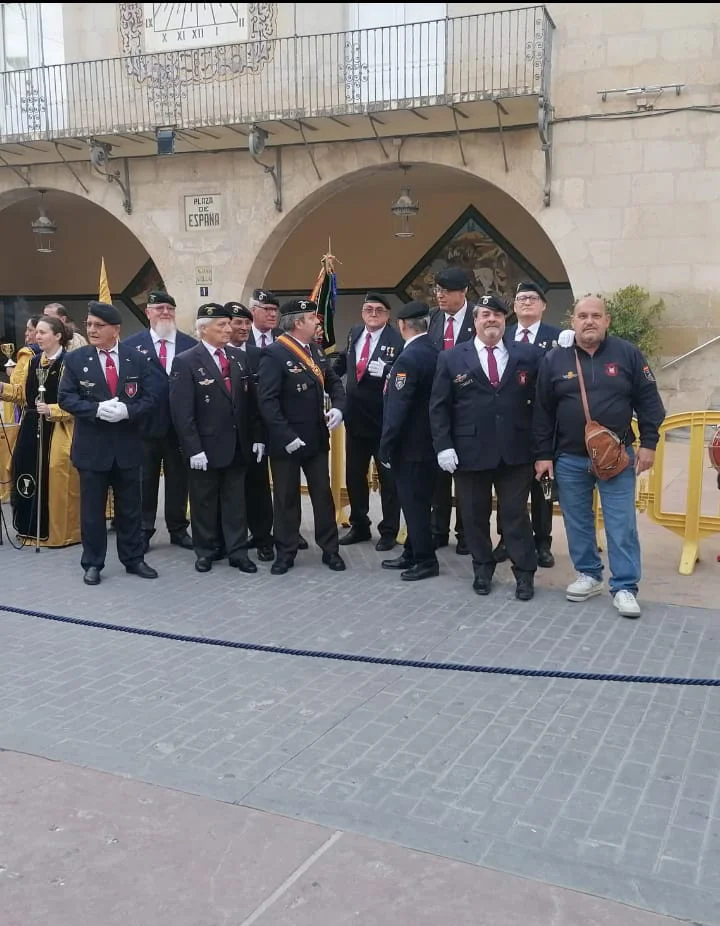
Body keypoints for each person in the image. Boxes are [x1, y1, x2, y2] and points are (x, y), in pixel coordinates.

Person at [533, 295, 666, 619]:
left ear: (607, 320)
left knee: (621, 525)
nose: (589, 321)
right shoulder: (555, 360)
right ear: (573, 321)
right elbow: (542, 413)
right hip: (569, 459)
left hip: (617, 458)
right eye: (582, 315)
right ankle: (589, 574)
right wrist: (543, 456)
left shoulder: (628, 354)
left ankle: (624, 587)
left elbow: (649, 401)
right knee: (578, 522)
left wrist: (649, 443)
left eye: (596, 315)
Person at [430, 294, 542, 600]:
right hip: (469, 452)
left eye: (497, 315)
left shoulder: (528, 355)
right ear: (475, 321)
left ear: (506, 320)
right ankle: (482, 568)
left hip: (516, 452)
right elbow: (439, 406)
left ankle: (524, 573)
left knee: (514, 515)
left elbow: (542, 403)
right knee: (474, 514)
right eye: (484, 315)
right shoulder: (451, 357)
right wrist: (443, 446)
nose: (491, 319)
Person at [57, 301, 159, 585]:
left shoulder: (136, 359)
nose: (92, 330)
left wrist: (129, 411)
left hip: (128, 448)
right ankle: (92, 563)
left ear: (116, 329)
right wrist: (96, 410)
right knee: (92, 512)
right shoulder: (77, 360)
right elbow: (66, 397)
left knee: (130, 510)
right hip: (93, 449)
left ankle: (133, 558)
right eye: (89, 324)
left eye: (99, 325)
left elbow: (151, 398)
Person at [170, 303, 264, 573]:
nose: (228, 329)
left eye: (228, 324)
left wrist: (257, 437)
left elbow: (250, 404)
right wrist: (192, 448)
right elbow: (182, 411)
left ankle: (237, 552)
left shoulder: (238, 357)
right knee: (204, 501)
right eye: (221, 325)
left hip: (238, 445)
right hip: (205, 447)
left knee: (236, 502)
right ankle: (206, 550)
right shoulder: (187, 360)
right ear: (203, 330)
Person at [257, 298, 346, 575]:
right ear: (298, 323)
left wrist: (340, 409)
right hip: (287, 441)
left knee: (322, 495)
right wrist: (285, 435)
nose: (317, 322)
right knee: (285, 498)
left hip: (316, 438)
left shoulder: (316, 351)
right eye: (312, 319)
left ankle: (330, 550)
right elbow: (267, 401)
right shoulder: (275, 353)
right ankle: (285, 552)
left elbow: (333, 382)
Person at [122, 290, 196, 554]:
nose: (165, 313)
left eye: (169, 308)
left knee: (179, 480)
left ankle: (178, 529)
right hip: (144, 427)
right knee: (145, 480)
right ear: (148, 312)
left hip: (179, 428)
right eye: (159, 308)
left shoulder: (190, 345)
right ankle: (144, 529)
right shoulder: (131, 346)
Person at [495, 280, 562, 568]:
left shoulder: (558, 337)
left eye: (532, 298)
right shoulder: (503, 335)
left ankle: (542, 541)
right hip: (509, 425)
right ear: (513, 306)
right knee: (507, 487)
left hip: (543, 422)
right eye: (521, 298)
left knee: (542, 487)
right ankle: (506, 539)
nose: (526, 302)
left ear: (543, 306)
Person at [0, 315, 80, 547]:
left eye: (42, 332)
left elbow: (77, 400)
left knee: (56, 472)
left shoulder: (70, 362)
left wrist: (53, 409)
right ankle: (28, 529)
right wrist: (2, 389)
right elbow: (24, 395)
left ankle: (59, 534)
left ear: (58, 336)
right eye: (37, 332)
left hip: (59, 429)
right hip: (31, 428)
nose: (37, 336)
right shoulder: (34, 362)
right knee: (25, 473)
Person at [334, 292, 403, 551]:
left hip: (384, 420)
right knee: (354, 475)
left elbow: (404, 373)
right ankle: (359, 524)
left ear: (387, 315)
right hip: (355, 418)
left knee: (388, 478)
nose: (372, 314)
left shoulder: (396, 339)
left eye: (378, 310)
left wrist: (388, 371)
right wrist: (325, 377)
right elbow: (345, 360)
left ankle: (389, 530)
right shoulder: (355, 333)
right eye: (368, 309)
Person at [378, 301, 440, 582]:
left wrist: (387, 443)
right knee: (421, 502)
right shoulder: (435, 352)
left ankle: (425, 560)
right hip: (430, 443)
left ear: (402, 325)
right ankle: (412, 551)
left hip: (410, 445)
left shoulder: (408, 358)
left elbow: (398, 407)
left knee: (413, 505)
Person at [428, 267, 476, 555]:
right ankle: (438, 529)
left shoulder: (477, 318)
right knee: (439, 474)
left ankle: (467, 533)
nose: (440, 296)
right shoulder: (433, 319)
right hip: (438, 406)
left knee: (467, 477)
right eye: (437, 290)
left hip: (469, 408)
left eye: (446, 291)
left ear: (464, 292)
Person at [225, 301, 274, 562]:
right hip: (224, 438)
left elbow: (262, 400)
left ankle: (263, 538)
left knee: (259, 489)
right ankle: (231, 539)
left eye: (246, 322)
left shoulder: (257, 355)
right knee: (230, 491)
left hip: (253, 435)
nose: (244, 328)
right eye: (237, 323)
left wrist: (259, 436)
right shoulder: (217, 355)